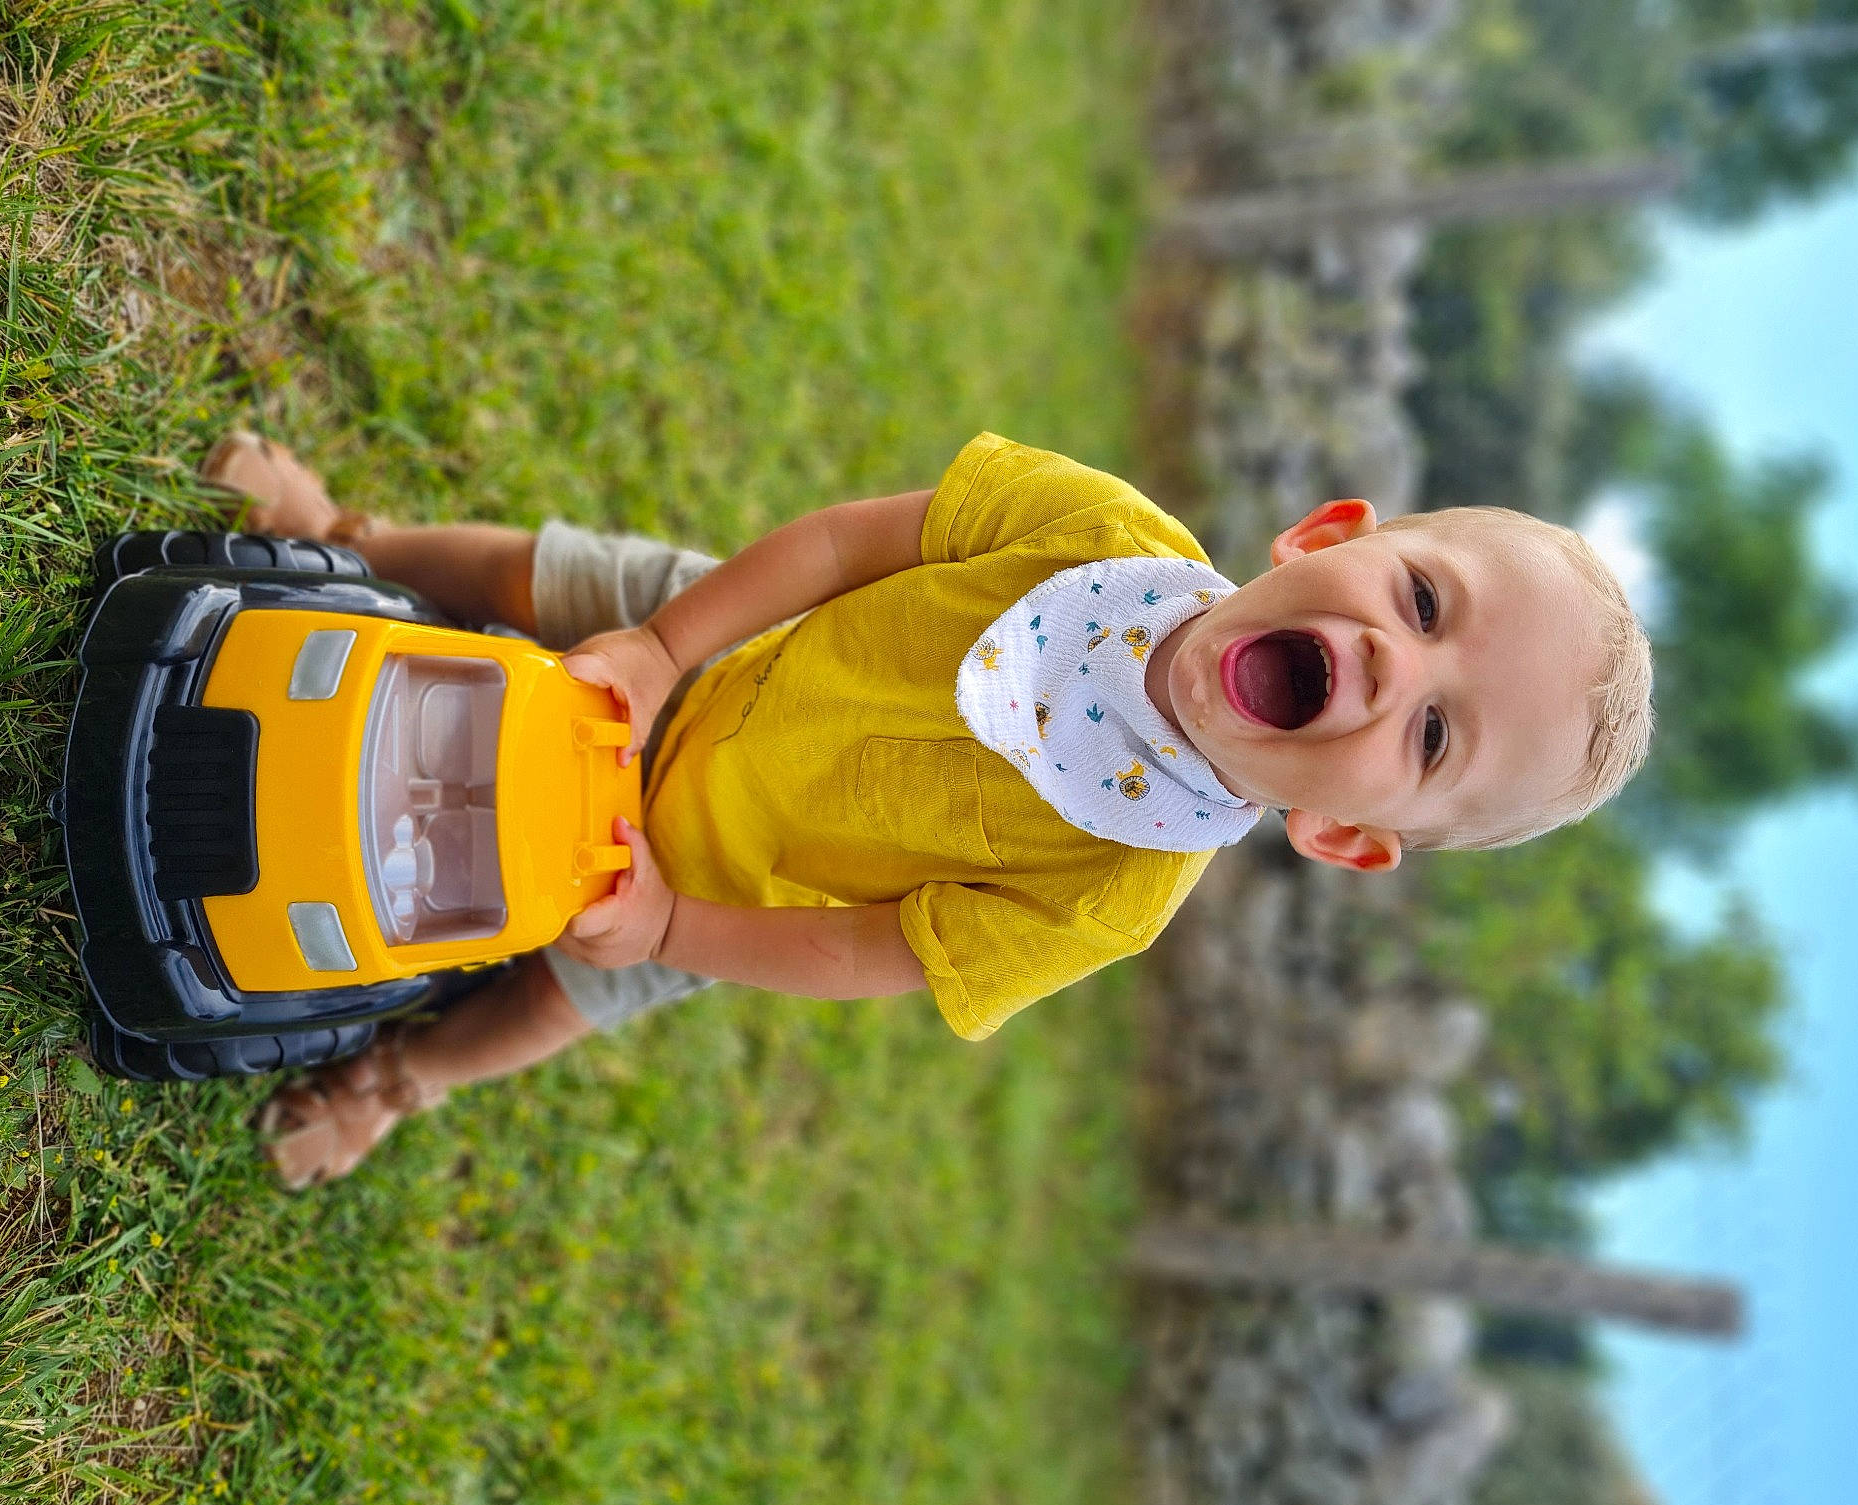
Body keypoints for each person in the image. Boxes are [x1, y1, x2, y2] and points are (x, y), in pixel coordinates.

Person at [201, 430, 1652, 1188]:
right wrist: (656, 647)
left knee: (554, 1001)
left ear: (1342, 837)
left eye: (1434, 735)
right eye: (1423, 599)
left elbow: (873, 949)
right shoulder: (1098, 535)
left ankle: (398, 1081)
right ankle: (351, 539)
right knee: (547, 577)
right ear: (1328, 535)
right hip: (714, 654)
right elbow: (847, 548)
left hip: (714, 874)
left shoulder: (1112, 893)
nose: (1394, 665)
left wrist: (669, 928)